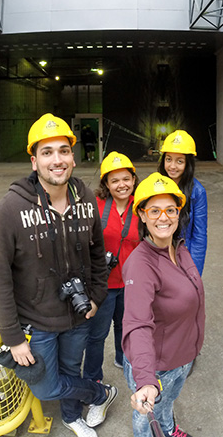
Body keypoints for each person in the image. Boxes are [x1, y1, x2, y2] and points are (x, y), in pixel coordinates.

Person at [0, 113, 117, 437]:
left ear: (73, 156)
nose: (57, 160)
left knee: (71, 368)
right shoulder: (11, 209)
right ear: (34, 161)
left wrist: (96, 297)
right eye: (47, 152)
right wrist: (13, 338)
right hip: (37, 322)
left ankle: (73, 417)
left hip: (78, 316)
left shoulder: (86, 198)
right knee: (45, 387)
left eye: (63, 150)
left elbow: (98, 253)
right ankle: (100, 394)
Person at [122, 173, 205, 437]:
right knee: (147, 419)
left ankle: (169, 430)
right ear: (142, 215)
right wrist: (146, 380)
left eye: (170, 210)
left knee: (167, 403)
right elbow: (137, 324)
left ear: (179, 213)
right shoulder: (141, 264)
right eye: (154, 210)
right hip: (158, 365)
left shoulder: (178, 247)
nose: (163, 217)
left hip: (180, 357)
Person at [84, 152, 140, 383]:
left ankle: (122, 357)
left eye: (126, 178)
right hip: (102, 284)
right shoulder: (95, 206)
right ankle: (92, 377)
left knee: (124, 327)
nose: (121, 185)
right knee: (96, 335)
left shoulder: (142, 205)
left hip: (131, 282)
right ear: (106, 183)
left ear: (134, 179)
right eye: (114, 180)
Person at [157, 130, 208, 275]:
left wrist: (194, 272)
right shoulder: (156, 187)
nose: (172, 166)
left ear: (188, 163)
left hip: (183, 258)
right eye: (168, 159)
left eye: (179, 161)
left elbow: (199, 236)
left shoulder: (197, 192)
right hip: (158, 256)